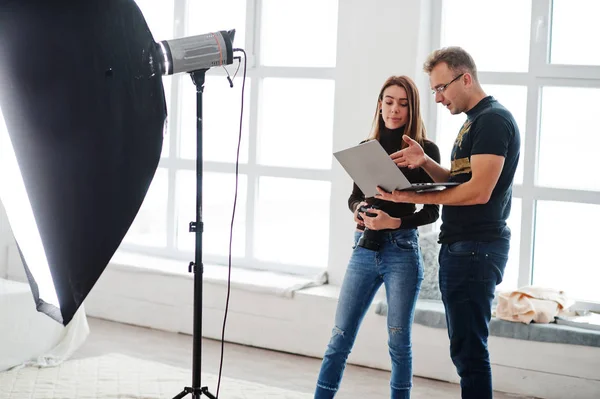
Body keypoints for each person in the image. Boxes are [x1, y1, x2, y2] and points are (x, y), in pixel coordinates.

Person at [375, 47, 521, 399]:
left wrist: (410, 198)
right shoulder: (474, 123)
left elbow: (478, 193)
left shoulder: (491, 121)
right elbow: (459, 183)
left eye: (442, 88)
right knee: (465, 351)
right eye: (434, 90)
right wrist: (425, 162)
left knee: (469, 353)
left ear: (466, 78)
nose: (438, 98)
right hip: (464, 248)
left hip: (476, 249)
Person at [315, 75, 441, 399]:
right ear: (380, 104)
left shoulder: (425, 151)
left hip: (402, 252)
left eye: (402, 103)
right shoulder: (365, 149)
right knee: (339, 336)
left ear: (411, 108)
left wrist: (393, 221)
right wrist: (359, 211)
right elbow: (354, 197)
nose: (394, 110)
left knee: (398, 341)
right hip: (364, 249)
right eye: (388, 101)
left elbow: (431, 213)